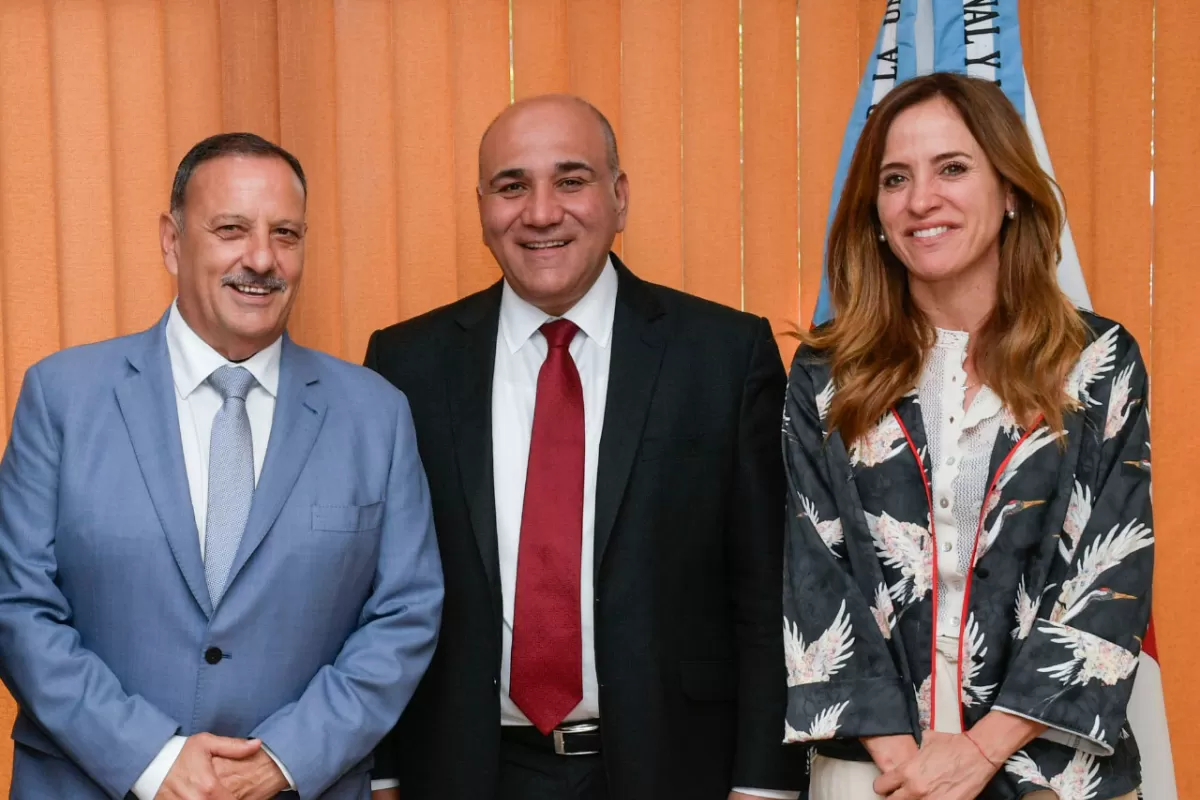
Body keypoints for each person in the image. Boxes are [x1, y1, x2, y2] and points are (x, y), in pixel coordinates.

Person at [364, 94, 804, 800]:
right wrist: (382, 775)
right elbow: (379, 592)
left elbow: (767, 595)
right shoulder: (405, 365)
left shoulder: (724, 357)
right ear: (482, 207)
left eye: (571, 181)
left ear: (619, 197)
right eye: (512, 186)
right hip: (465, 772)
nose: (540, 212)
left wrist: (765, 786)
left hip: (675, 771)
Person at [0, 133, 444, 800]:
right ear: (172, 241)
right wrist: (151, 758)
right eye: (231, 229)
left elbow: (404, 613)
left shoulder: (376, 416)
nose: (262, 258)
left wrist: (283, 760)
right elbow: (19, 606)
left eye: (286, 234)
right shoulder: (62, 397)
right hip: (88, 784)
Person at [782, 71, 1150, 800]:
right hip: (877, 776)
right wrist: (907, 767)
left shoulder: (1099, 361)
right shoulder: (827, 372)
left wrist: (979, 753)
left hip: (1051, 772)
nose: (922, 200)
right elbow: (813, 575)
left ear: (1010, 190)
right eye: (895, 178)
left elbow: (1109, 580)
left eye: (952, 168)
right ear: (875, 210)